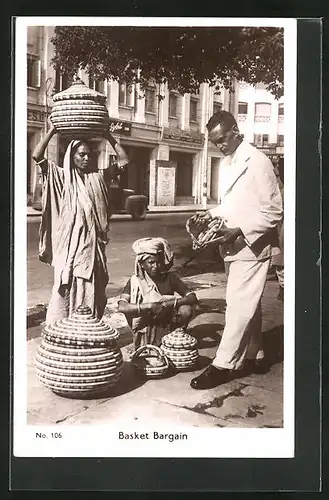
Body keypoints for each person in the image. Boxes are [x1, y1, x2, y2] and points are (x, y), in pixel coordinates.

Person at [190, 110, 283, 390]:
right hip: (231, 245)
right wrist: (210, 214)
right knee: (248, 304)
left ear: (235, 130)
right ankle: (257, 355)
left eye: (222, 139)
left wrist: (240, 230)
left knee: (238, 303)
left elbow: (275, 210)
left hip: (253, 246)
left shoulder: (258, 161)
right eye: (215, 141)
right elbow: (233, 205)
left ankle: (223, 364)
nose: (220, 145)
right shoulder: (229, 161)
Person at [32, 122, 129, 324]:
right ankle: (61, 327)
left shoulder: (99, 176)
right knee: (65, 290)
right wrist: (53, 130)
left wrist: (108, 135)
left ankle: (88, 327)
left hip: (94, 247)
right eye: (81, 154)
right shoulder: (61, 176)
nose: (86, 158)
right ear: (71, 155)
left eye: (88, 154)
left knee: (94, 288)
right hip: (70, 248)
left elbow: (124, 161)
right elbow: (37, 156)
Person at [118, 237, 197, 351]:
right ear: (141, 264)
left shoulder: (170, 278)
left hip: (167, 318)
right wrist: (149, 306)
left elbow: (192, 297)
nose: (156, 266)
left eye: (158, 262)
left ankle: (176, 334)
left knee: (186, 309)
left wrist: (167, 304)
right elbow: (122, 306)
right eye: (151, 262)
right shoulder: (135, 281)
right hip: (146, 321)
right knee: (132, 308)